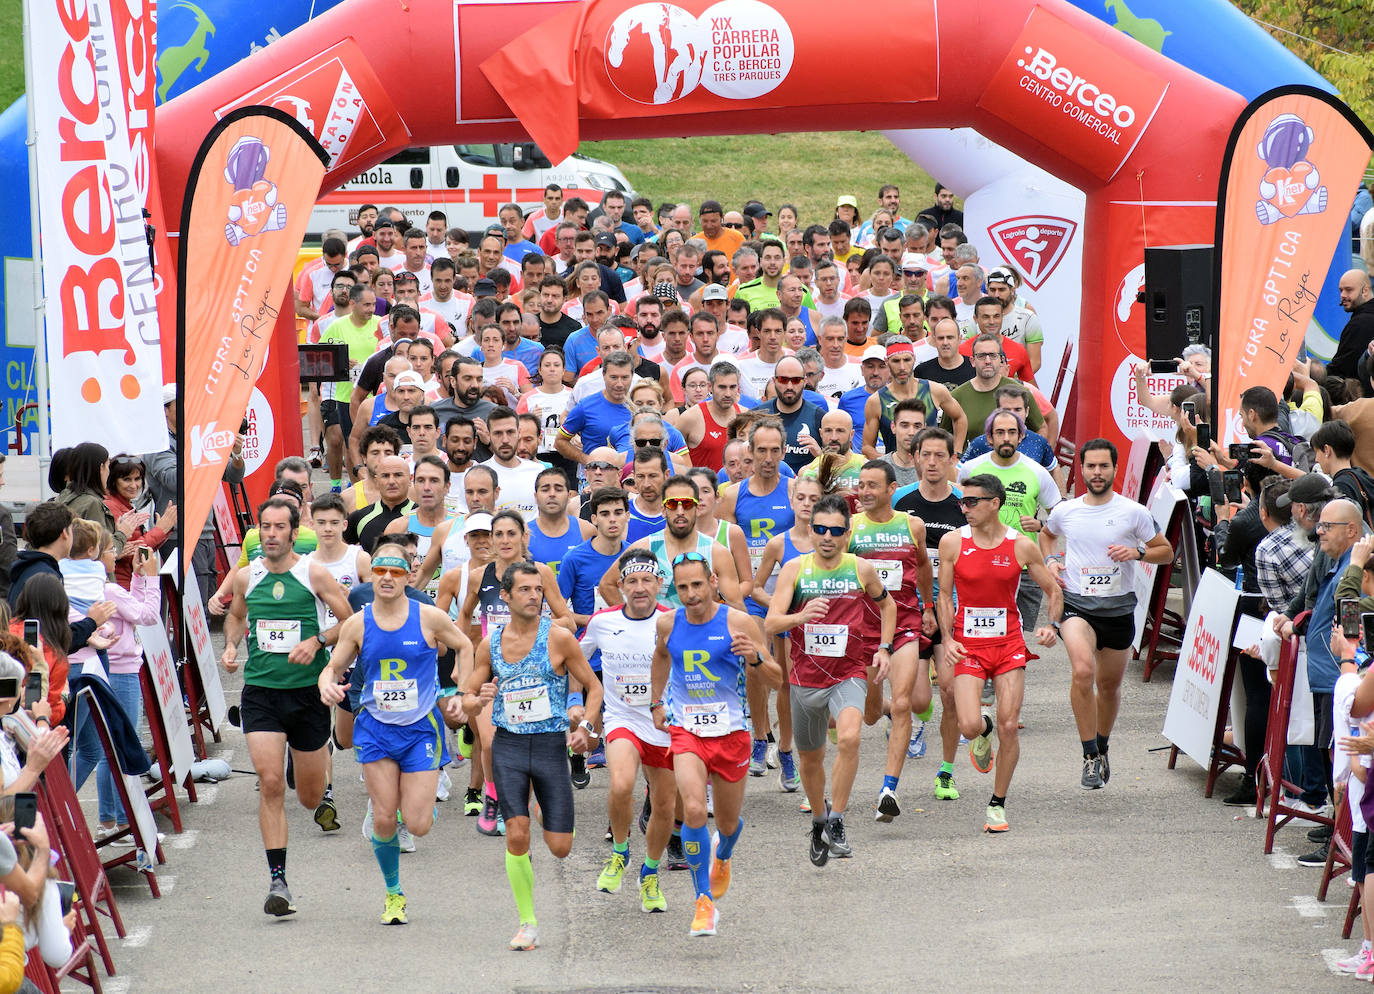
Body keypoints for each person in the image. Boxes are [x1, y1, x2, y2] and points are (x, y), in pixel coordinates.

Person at [318, 537, 473, 925]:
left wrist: (463, 689)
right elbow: (333, 666)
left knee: (417, 823)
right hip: (375, 730)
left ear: (408, 575)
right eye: (381, 571)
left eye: (396, 571)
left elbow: (465, 645)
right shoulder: (357, 622)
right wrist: (327, 682)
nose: (387, 577)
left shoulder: (428, 616)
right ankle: (393, 893)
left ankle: (413, 799)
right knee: (385, 818)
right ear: (372, 575)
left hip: (420, 730)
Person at [219, 497, 353, 916]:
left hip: (307, 695)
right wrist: (229, 645)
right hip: (261, 693)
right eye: (266, 527)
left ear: (295, 533)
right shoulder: (246, 577)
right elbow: (237, 616)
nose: (272, 534)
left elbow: (349, 622)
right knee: (271, 782)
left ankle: (306, 760)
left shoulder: (313, 573)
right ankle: (278, 880)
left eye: (280, 527)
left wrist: (317, 642)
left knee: (310, 798)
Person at [462, 562, 602, 950]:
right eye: (524, 590)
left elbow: (593, 688)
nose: (533, 596)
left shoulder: (558, 639)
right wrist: (476, 701)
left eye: (537, 590)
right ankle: (528, 922)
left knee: (560, 847)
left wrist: (586, 727)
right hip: (507, 745)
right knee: (517, 833)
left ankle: (546, 808)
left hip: (548, 747)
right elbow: (469, 696)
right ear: (505, 596)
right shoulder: (489, 645)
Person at [651, 552, 780, 936]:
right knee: (692, 810)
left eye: (697, 585)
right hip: (686, 730)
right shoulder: (667, 623)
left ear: (712, 581)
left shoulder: (738, 621)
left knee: (725, 822)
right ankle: (703, 901)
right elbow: (660, 659)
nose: (691, 594)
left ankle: (722, 855)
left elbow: (776, 679)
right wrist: (657, 702)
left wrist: (755, 658)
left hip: (731, 732)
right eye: (683, 587)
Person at [767, 494, 895, 863]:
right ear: (810, 529)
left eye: (835, 531)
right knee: (811, 760)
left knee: (851, 737)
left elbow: (888, 605)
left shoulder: (860, 569)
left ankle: (837, 818)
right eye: (820, 529)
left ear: (847, 533)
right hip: (806, 679)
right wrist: (799, 617)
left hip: (849, 673)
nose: (827, 536)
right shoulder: (795, 568)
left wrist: (884, 647)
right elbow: (772, 622)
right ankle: (820, 820)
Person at [1039, 440, 1172, 789]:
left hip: (1118, 608)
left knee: (1108, 687)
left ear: (1114, 469)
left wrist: (1137, 551)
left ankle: (1102, 745)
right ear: (1081, 470)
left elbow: (1166, 551)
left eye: (1104, 466)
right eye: (1091, 467)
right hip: (1078, 605)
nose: (1097, 473)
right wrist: (1052, 561)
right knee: (1083, 670)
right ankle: (1088, 756)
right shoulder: (1066, 511)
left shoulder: (1134, 512)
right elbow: (1047, 536)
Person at [938, 474, 1061, 834]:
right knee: (969, 725)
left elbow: (1053, 591)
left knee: (1010, 725)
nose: (965, 508)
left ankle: (997, 804)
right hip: (968, 645)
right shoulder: (952, 543)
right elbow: (944, 596)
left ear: (995, 503)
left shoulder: (1021, 545)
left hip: (1008, 645)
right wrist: (947, 638)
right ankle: (983, 728)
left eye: (973, 502)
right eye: (963, 502)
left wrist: (1051, 626)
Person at [582, 549, 674, 912]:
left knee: (666, 806)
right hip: (622, 719)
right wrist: (581, 699)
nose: (639, 588)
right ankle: (620, 851)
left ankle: (650, 872)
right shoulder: (601, 622)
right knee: (621, 783)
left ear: (659, 584)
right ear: (620, 586)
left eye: (646, 580)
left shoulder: (673, 620)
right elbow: (575, 658)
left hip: (664, 724)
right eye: (632, 581)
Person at [850, 460, 935, 819]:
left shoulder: (912, 525)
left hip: (903, 625)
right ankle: (882, 710)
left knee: (903, 704)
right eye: (861, 485)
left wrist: (928, 607)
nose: (865, 492)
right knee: (870, 715)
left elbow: (924, 567)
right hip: (862, 630)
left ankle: (889, 788)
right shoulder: (850, 527)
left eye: (872, 486)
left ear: (890, 490)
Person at [894, 428, 967, 800]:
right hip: (913, 608)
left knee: (952, 692)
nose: (934, 462)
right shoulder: (900, 500)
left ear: (952, 459)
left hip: (953, 608)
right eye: (928, 455)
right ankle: (919, 722)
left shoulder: (963, 502)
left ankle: (947, 771)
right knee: (919, 700)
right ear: (916, 457)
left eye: (942, 455)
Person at [717, 419, 794, 773]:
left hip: (792, 591)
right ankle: (761, 736)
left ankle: (788, 744)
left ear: (783, 450)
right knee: (757, 665)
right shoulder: (732, 495)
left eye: (774, 450)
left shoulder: (794, 490)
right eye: (760, 450)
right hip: (753, 591)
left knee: (789, 673)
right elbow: (722, 551)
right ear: (749, 452)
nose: (767, 458)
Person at [958, 410, 1061, 630]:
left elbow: (1060, 513)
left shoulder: (1037, 471)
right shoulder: (971, 468)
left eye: (1012, 432)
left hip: (1024, 567)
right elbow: (958, 508)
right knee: (979, 631)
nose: (1006, 438)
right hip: (978, 562)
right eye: (1000, 432)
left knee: (1020, 639)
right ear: (989, 437)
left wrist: (1042, 525)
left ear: (1021, 437)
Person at [103, 454, 175, 589]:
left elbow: (141, 551)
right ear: (113, 481)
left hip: (130, 582)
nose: (134, 485)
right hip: (123, 585)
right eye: (126, 479)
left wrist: (161, 530)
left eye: (137, 479)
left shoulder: (123, 504)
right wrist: (160, 530)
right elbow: (133, 554)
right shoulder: (111, 506)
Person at [346, 456, 417, 552]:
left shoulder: (422, 516)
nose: (391, 481)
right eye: (385, 476)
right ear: (376, 481)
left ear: (410, 479)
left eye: (398, 475)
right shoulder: (359, 517)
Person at [1328, 269, 1374, 380]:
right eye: (1341, 290)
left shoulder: (1360, 324)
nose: (1343, 295)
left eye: (1349, 290)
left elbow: (1341, 370)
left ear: (1365, 291)